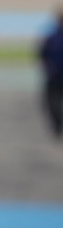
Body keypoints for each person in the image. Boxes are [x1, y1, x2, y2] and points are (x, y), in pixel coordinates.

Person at [39, 9, 63, 138]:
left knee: (52, 101)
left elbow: (42, 55)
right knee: (52, 101)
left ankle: (58, 124)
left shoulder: (52, 37)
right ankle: (58, 124)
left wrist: (48, 68)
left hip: (54, 75)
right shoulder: (52, 37)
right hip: (54, 74)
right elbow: (42, 54)